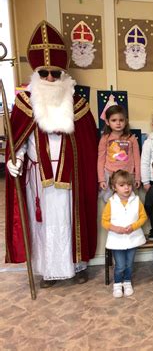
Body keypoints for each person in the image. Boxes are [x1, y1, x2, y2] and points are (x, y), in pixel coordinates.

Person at [5, 21, 98, 288]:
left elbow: (88, 142)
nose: (49, 79)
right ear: (36, 71)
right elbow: (18, 139)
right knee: (45, 224)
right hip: (38, 177)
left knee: (72, 220)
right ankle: (48, 271)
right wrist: (16, 159)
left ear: (62, 73)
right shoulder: (25, 103)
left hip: (72, 176)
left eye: (54, 74)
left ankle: (77, 265)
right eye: (43, 73)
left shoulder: (78, 104)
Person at [102, 170, 147, 298]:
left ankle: (127, 282)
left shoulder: (136, 201)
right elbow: (104, 221)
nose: (126, 188)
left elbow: (143, 217)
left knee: (129, 264)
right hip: (117, 240)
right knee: (120, 265)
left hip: (132, 238)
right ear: (114, 187)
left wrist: (133, 227)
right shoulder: (111, 202)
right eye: (122, 185)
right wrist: (115, 228)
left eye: (128, 184)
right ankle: (117, 284)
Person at [97, 105, 141, 202]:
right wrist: (101, 179)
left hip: (128, 177)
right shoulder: (105, 138)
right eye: (114, 120)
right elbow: (101, 159)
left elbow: (137, 159)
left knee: (129, 203)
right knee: (111, 204)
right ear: (107, 122)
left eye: (121, 120)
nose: (118, 123)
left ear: (126, 121)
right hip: (110, 176)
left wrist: (137, 177)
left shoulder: (132, 139)